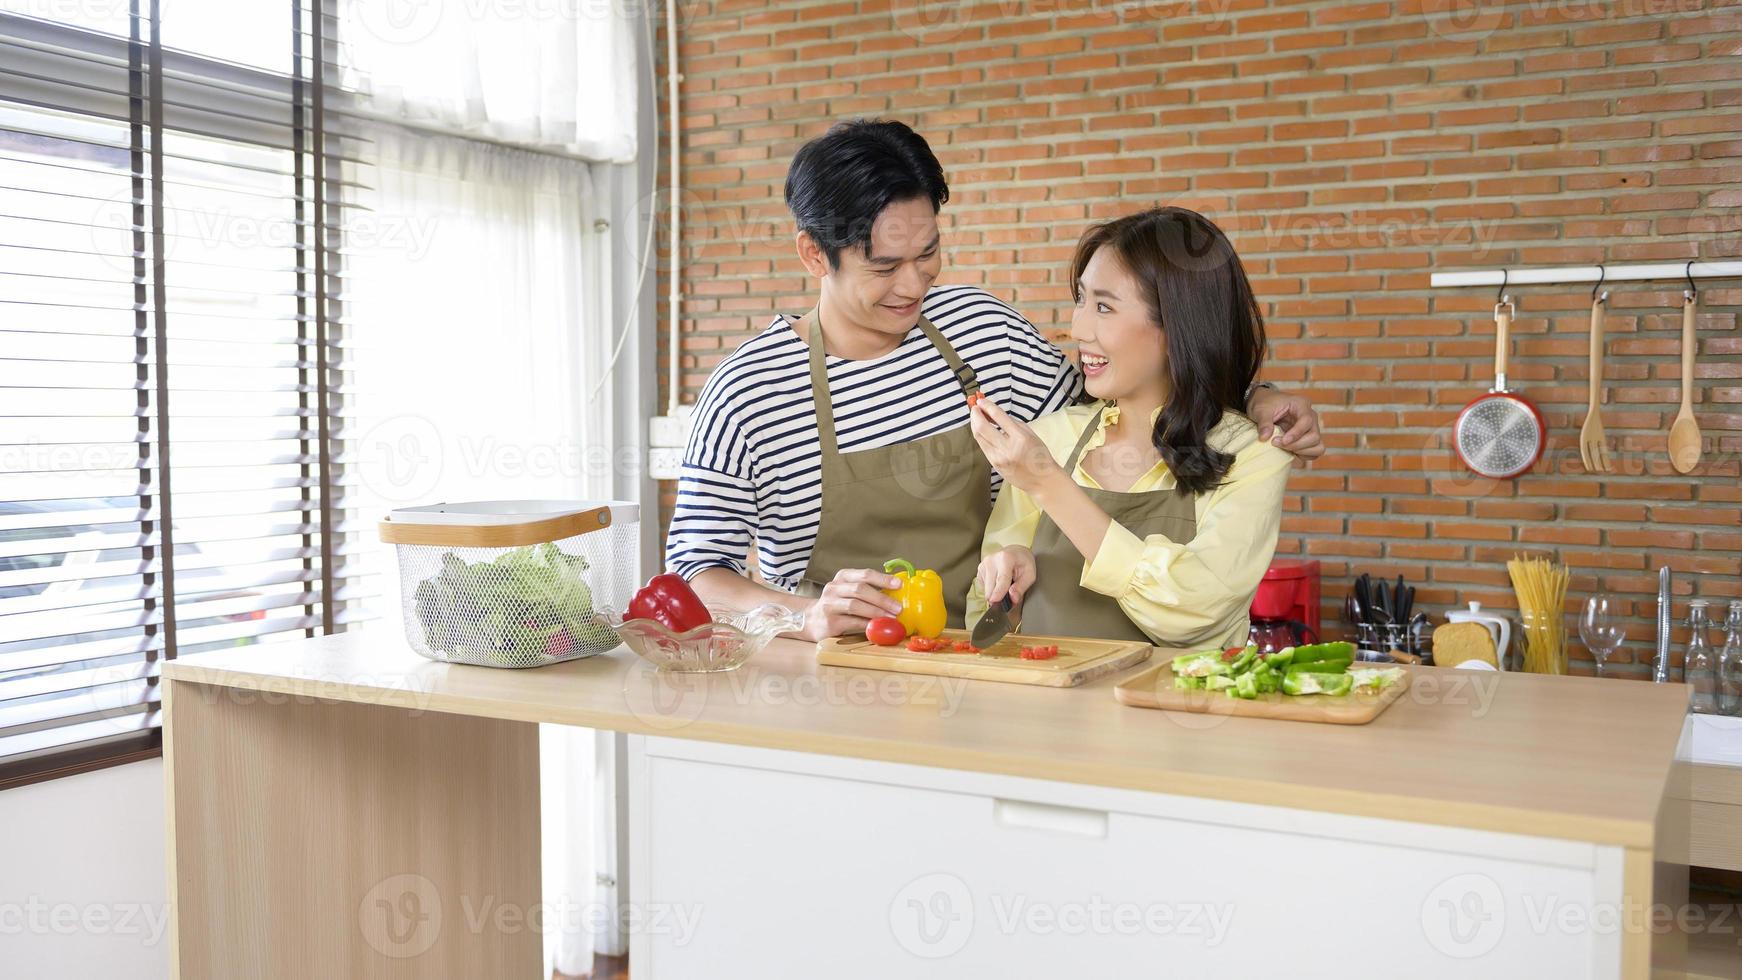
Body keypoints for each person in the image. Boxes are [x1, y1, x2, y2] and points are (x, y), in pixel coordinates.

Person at [665, 119, 1322, 642]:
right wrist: (797, 616)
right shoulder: (749, 390)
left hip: (974, 668)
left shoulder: (984, 334)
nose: (914, 284)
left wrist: (1250, 398)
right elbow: (694, 575)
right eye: (885, 265)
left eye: (928, 254)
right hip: (834, 677)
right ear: (814, 254)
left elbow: (1124, 405)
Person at [967, 207, 1291, 649]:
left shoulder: (1253, 452)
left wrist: (1047, 483)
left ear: (1178, 325)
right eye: (1081, 299)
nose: (1078, 327)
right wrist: (1010, 588)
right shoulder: (1051, 437)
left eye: (1104, 306)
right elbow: (981, 621)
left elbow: (1193, 608)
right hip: (1042, 715)